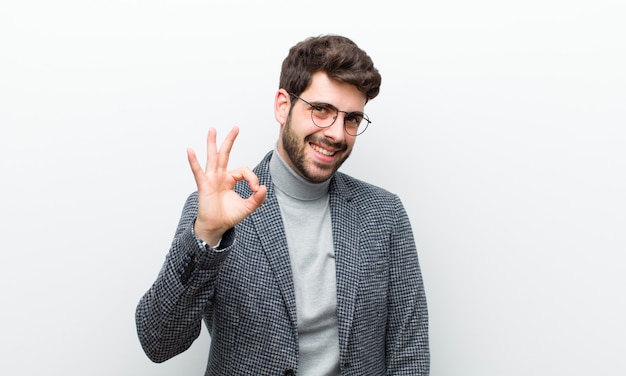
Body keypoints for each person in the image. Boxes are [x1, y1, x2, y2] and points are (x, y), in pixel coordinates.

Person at [135, 34, 429, 375]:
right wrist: (207, 236)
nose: (336, 133)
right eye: (321, 110)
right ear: (282, 106)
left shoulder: (385, 214)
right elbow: (158, 342)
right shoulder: (218, 209)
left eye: (351, 119)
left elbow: (410, 352)